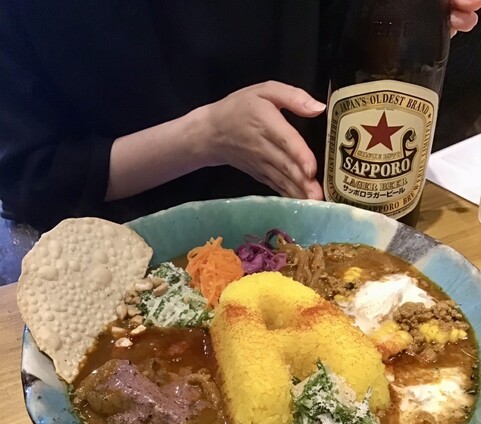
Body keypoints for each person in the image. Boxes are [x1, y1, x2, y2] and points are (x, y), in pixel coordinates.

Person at [0, 0, 479, 234]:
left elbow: (353, 43)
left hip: (315, 221)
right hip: (126, 240)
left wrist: (412, 28)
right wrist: (205, 137)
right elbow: (30, 179)